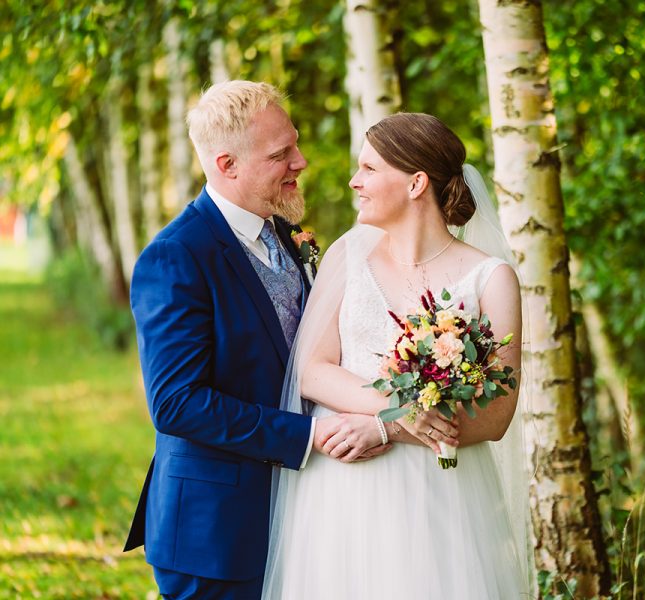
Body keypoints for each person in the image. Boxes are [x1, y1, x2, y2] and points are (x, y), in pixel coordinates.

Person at [123, 80, 389, 599]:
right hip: (216, 532)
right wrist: (307, 436)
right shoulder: (176, 256)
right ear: (227, 165)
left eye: (295, 143)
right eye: (281, 153)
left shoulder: (287, 234)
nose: (302, 161)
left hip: (301, 512)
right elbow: (178, 404)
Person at [262, 112, 532, 599]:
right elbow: (311, 371)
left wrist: (388, 428)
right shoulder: (348, 255)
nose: (354, 181)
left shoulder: (491, 279)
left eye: (368, 169)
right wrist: (403, 409)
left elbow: (495, 416)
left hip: (440, 487)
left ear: (415, 183)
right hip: (342, 486)